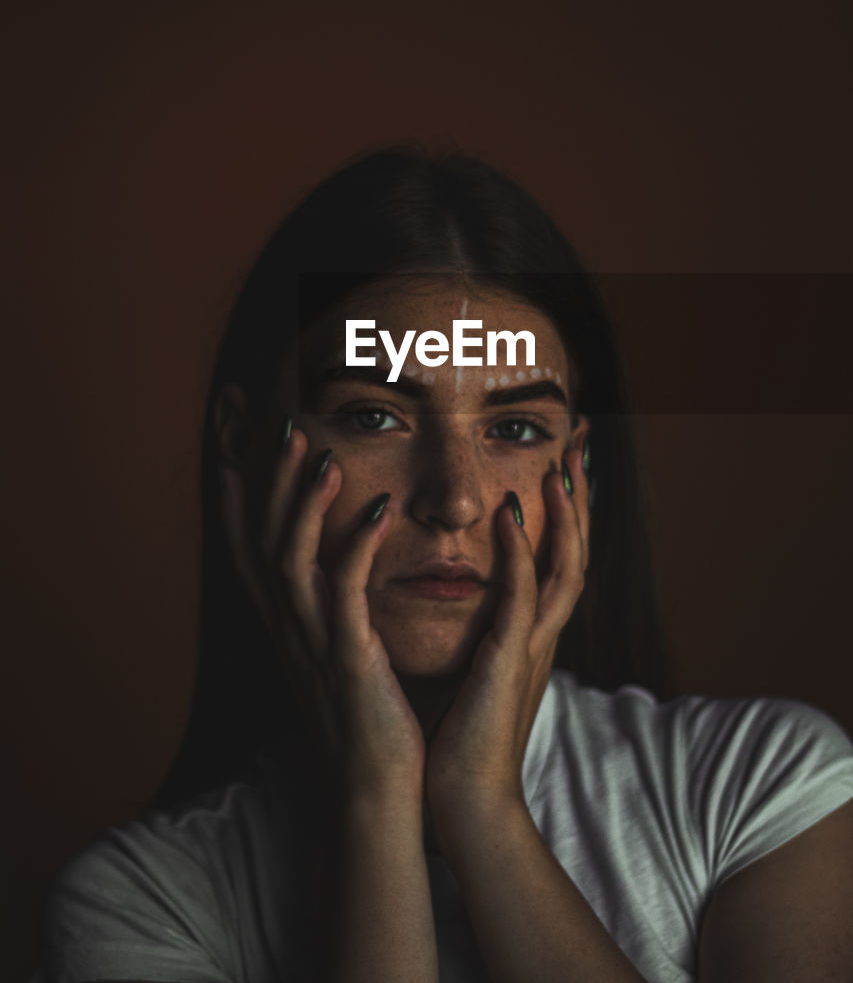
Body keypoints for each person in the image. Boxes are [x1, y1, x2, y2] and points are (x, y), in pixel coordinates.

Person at [33, 148, 853, 983]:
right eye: (374, 415)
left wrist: (483, 812)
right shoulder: (136, 908)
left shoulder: (764, 788)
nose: (454, 501)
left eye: (515, 429)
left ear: (579, 470)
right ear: (247, 449)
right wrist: (379, 802)